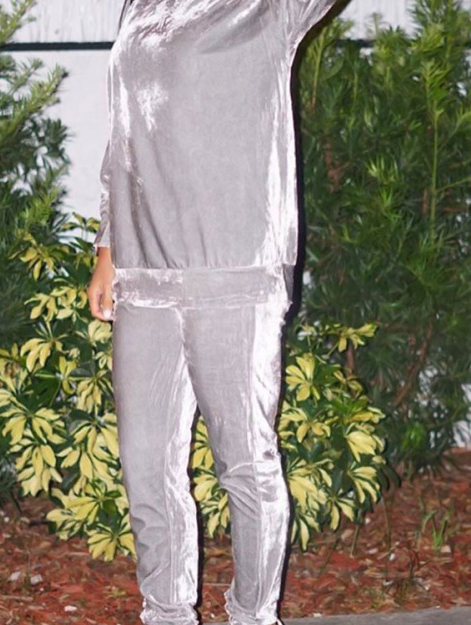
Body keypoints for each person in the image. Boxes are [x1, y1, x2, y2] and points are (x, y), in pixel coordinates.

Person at [87, 2, 337, 625]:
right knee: (146, 466)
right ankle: (167, 612)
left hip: (235, 274)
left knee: (246, 464)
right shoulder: (141, 5)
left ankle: (253, 615)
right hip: (145, 275)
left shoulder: (272, 8)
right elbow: (124, 131)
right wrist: (108, 248)